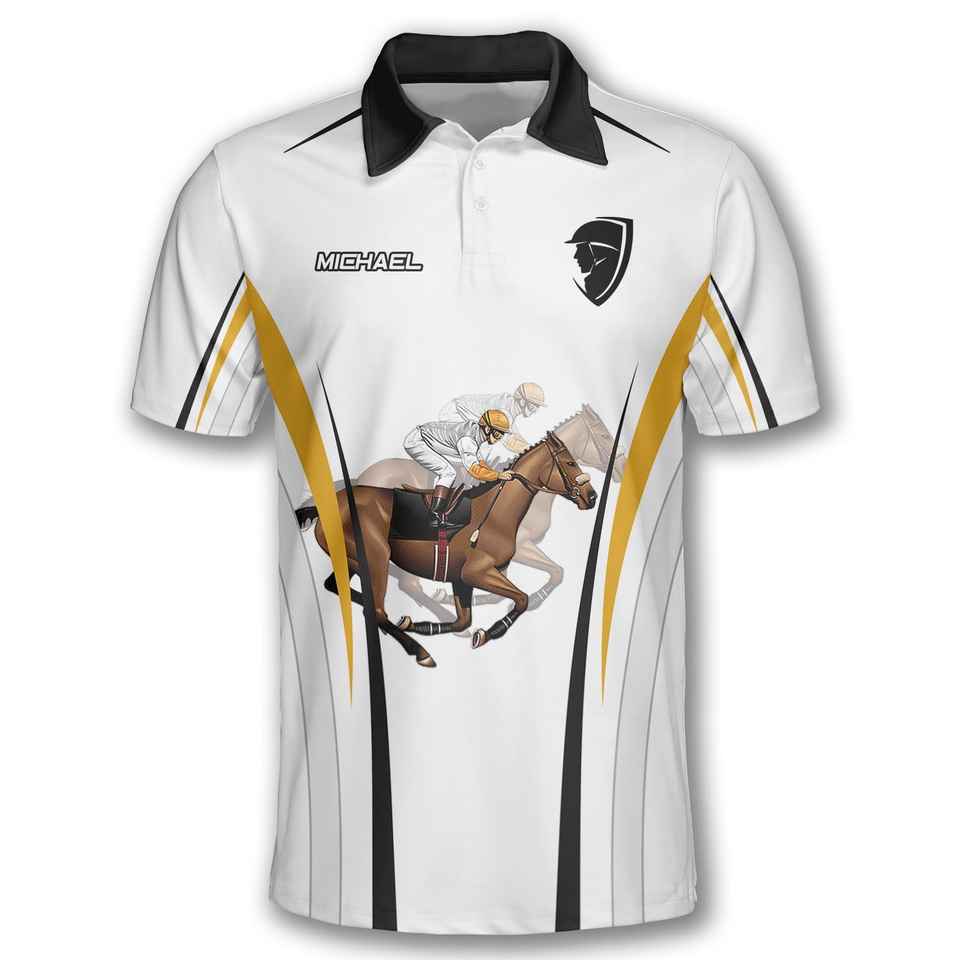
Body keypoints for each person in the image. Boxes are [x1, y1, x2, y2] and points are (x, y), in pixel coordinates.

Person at [403, 409, 513, 526]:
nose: (498, 439)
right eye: (497, 434)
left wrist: (499, 474)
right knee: (448, 473)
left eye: (501, 436)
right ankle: (434, 515)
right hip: (417, 441)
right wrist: (498, 475)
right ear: (487, 429)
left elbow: (481, 463)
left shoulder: (476, 434)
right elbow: (475, 471)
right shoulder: (467, 440)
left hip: (429, 439)